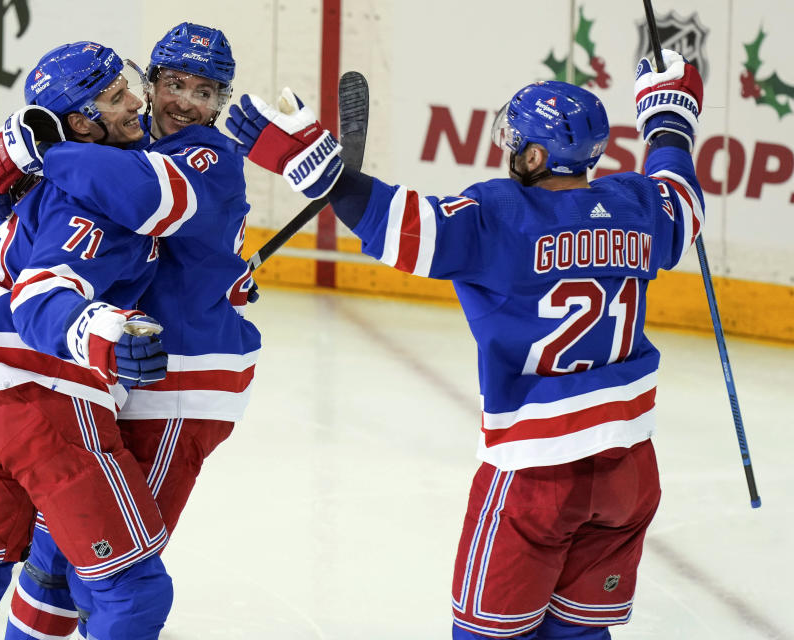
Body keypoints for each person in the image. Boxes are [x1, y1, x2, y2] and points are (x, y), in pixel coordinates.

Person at [226, 50, 704, 639]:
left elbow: (406, 231)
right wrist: (669, 116)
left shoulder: (501, 213)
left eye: (516, 143)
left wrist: (324, 173)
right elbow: (681, 195)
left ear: (534, 155)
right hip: (629, 468)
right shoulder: (637, 205)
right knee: (582, 633)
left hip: (536, 473)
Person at [0, 23, 262, 639]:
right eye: (175, 83)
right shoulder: (127, 145)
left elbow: (138, 197)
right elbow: (2, 205)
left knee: (113, 576)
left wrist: (44, 148)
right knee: (54, 560)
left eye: (205, 92)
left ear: (221, 102)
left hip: (178, 383)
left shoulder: (207, 154)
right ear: (150, 81)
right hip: (112, 378)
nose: (186, 101)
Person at [0, 41, 177, 640]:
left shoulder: (33, 178)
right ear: (80, 123)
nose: (136, 102)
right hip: (42, 398)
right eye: (115, 96)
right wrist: (105, 338)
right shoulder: (98, 192)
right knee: (133, 590)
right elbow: (43, 291)